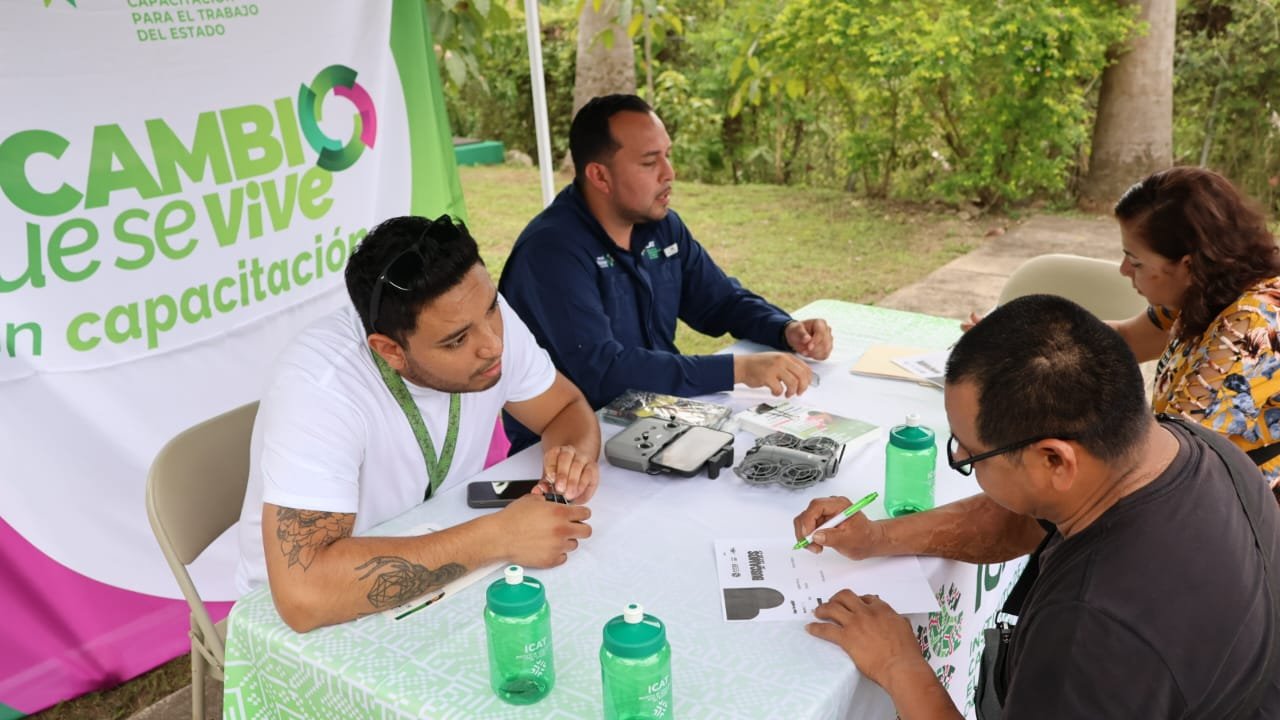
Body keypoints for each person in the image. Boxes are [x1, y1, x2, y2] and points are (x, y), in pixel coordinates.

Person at [795, 295, 1280, 719]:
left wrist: (899, 665)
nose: (960, 458)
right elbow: (1024, 519)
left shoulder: (1089, 632)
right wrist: (877, 537)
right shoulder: (1194, 450)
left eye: (971, 454)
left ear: (1054, 460)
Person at [234, 214, 601, 633]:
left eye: (492, 308)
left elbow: (564, 408)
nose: (493, 344)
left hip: (446, 554)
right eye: (457, 341)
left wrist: (571, 459)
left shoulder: (474, 316)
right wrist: (500, 537)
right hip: (319, 614)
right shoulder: (319, 390)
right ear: (390, 351)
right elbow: (304, 597)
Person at [498, 94, 833, 453]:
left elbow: (719, 301)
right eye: (649, 162)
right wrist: (739, 369)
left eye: (667, 155)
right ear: (599, 175)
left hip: (656, 420)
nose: (669, 173)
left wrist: (784, 328)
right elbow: (605, 373)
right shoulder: (552, 251)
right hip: (570, 447)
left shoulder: (660, 226)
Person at [967, 167, 1280, 494]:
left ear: (1188, 265)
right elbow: (1126, 339)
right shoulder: (1204, 291)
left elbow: (1164, 463)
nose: (1124, 269)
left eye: (1136, 261)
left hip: (1236, 506)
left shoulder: (1249, 328)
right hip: (1177, 478)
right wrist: (1019, 336)